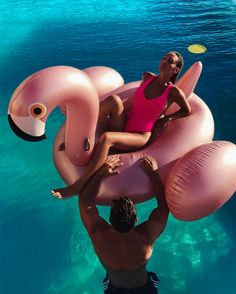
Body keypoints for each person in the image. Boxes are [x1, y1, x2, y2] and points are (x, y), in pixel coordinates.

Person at [51, 51, 191, 199]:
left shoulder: (173, 92)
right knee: (113, 100)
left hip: (140, 136)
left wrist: (166, 118)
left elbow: (186, 111)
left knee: (107, 138)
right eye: (164, 58)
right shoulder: (147, 77)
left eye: (169, 61)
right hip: (125, 124)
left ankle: (78, 185)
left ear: (176, 70)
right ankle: (79, 137)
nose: (164, 61)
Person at [77, 155, 169, 293]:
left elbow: (84, 201)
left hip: (115, 288)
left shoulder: (99, 235)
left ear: (109, 218)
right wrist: (153, 173)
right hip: (144, 289)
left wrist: (100, 173)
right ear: (136, 219)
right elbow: (164, 207)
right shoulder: (146, 237)